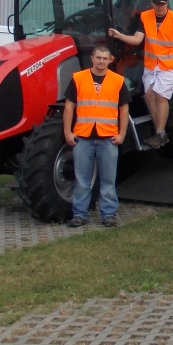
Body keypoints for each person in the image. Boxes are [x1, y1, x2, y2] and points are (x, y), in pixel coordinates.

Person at [108, 0, 173, 148]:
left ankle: (160, 133)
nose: (160, 7)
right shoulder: (145, 17)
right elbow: (137, 39)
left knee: (161, 97)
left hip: (170, 66)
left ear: (166, 4)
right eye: (157, 4)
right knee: (149, 95)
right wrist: (120, 36)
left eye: (162, 4)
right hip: (151, 65)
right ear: (152, 4)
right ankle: (159, 132)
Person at [62, 44, 131, 228]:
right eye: (98, 57)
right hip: (83, 137)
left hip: (108, 138)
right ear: (92, 58)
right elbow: (69, 106)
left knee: (108, 180)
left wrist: (122, 134)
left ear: (110, 60)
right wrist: (68, 132)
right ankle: (79, 214)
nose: (101, 61)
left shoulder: (118, 81)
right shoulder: (78, 78)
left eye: (105, 58)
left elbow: (124, 109)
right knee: (81, 180)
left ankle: (108, 214)